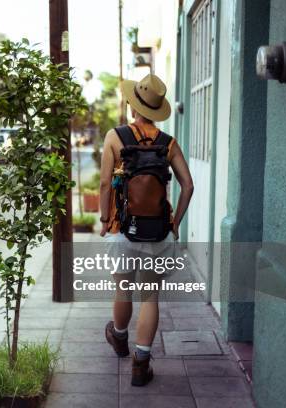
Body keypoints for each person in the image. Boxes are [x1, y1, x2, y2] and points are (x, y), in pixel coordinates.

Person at [99, 73, 194, 386]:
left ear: (132, 105)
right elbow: (188, 186)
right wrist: (175, 223)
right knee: (150, 296)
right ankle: (141, 365)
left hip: (121, 227)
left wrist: (104, 220)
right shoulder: (168, 143)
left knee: (123, 288)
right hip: (157, 231)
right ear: (156, 110)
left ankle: (120, 337)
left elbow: (103, 184)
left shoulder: (115, 136)